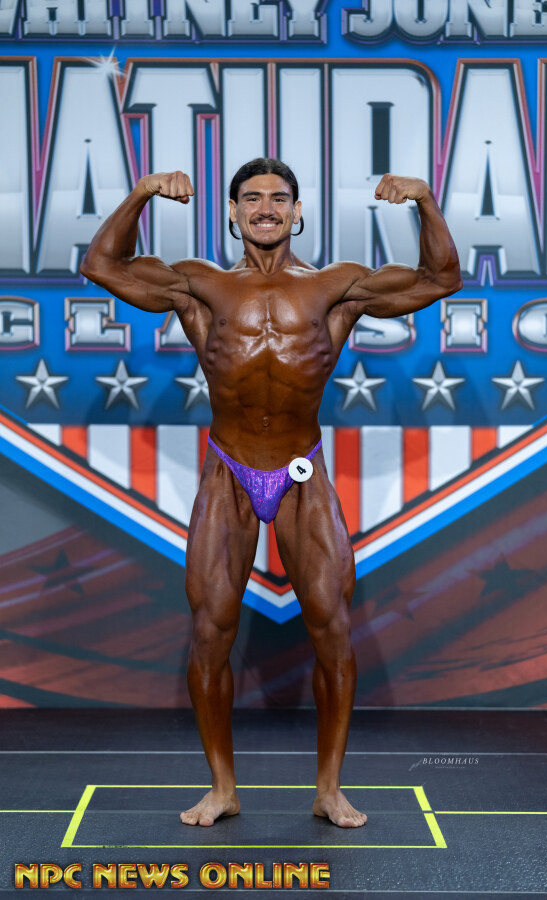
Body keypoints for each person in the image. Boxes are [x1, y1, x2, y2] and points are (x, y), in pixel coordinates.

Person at [80, 158, 462, 829]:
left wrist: (426, 202)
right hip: (228, 470)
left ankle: (329, 789)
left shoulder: (337, 286)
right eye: (251, 198)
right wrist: (141, 192)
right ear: (232, 212)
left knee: (332, 628)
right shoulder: (200, 284)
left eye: (278, 198)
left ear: (297, 211)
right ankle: (222, 788)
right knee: (210, 630)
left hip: (300, 472)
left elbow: (442, 279)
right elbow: (102, 266)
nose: (265, 208)